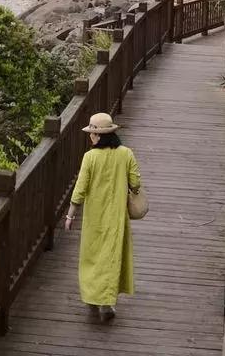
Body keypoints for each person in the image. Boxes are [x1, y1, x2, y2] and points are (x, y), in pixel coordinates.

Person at [65, 111, 142, 323]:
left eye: (92, 133)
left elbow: (80, 189)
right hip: (117, 217)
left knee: (92, 257)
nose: (90, 136)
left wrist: (70, 216)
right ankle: (106, 304)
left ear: (99, 136)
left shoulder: (90, 157)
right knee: (111, 255)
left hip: (94, 217)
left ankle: (92, 298)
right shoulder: (126, 154)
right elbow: (135, 182)